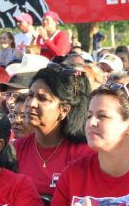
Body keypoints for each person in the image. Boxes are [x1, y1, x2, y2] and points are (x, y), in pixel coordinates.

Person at [13, 65, 91, 196]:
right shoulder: (16, 150)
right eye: (30, 95)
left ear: (64, 110)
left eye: (42, 98)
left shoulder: (84, 154)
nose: (31, 103)